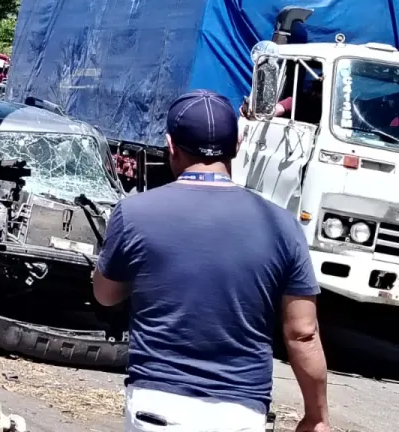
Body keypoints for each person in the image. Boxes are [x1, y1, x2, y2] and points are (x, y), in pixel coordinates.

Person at [93, 90, 329, 432]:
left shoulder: (133, 213)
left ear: (170, 145)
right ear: (238, 144)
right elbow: (303, 333)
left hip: (157, 407)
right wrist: (316, 416)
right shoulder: (282, 225)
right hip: (239, 414)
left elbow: (105, 295)